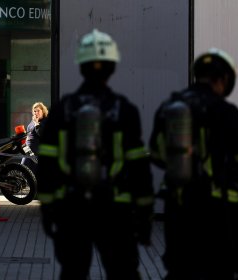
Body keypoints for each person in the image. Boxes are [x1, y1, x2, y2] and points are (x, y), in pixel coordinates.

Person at [37, 29, 154, 280]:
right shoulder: (125, 110)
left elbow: (47, 163)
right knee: (122, 273)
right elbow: (138, 167)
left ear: (81, 65)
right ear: (112, 66)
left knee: (73, 272)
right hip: (116, 211)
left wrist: (47, 208)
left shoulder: (61, 109)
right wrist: (144, 214)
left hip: (72, 209)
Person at [150, 48, 238, 279]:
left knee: (180, 270)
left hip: (177, 208)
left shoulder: (169, 107)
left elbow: (157, 155)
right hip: (218, 212)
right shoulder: (226, 112)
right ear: (223, 79)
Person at [21, 102, 48, 172]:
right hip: (28, 148)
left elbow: (41, 134)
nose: (36, 113)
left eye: (38, 111)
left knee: (26, 168)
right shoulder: (33, 121)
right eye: (35, 111)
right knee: (24, 168)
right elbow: (29, 133)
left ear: (43, 111)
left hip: (36, 150)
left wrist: (36, 123)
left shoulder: (45, 121)